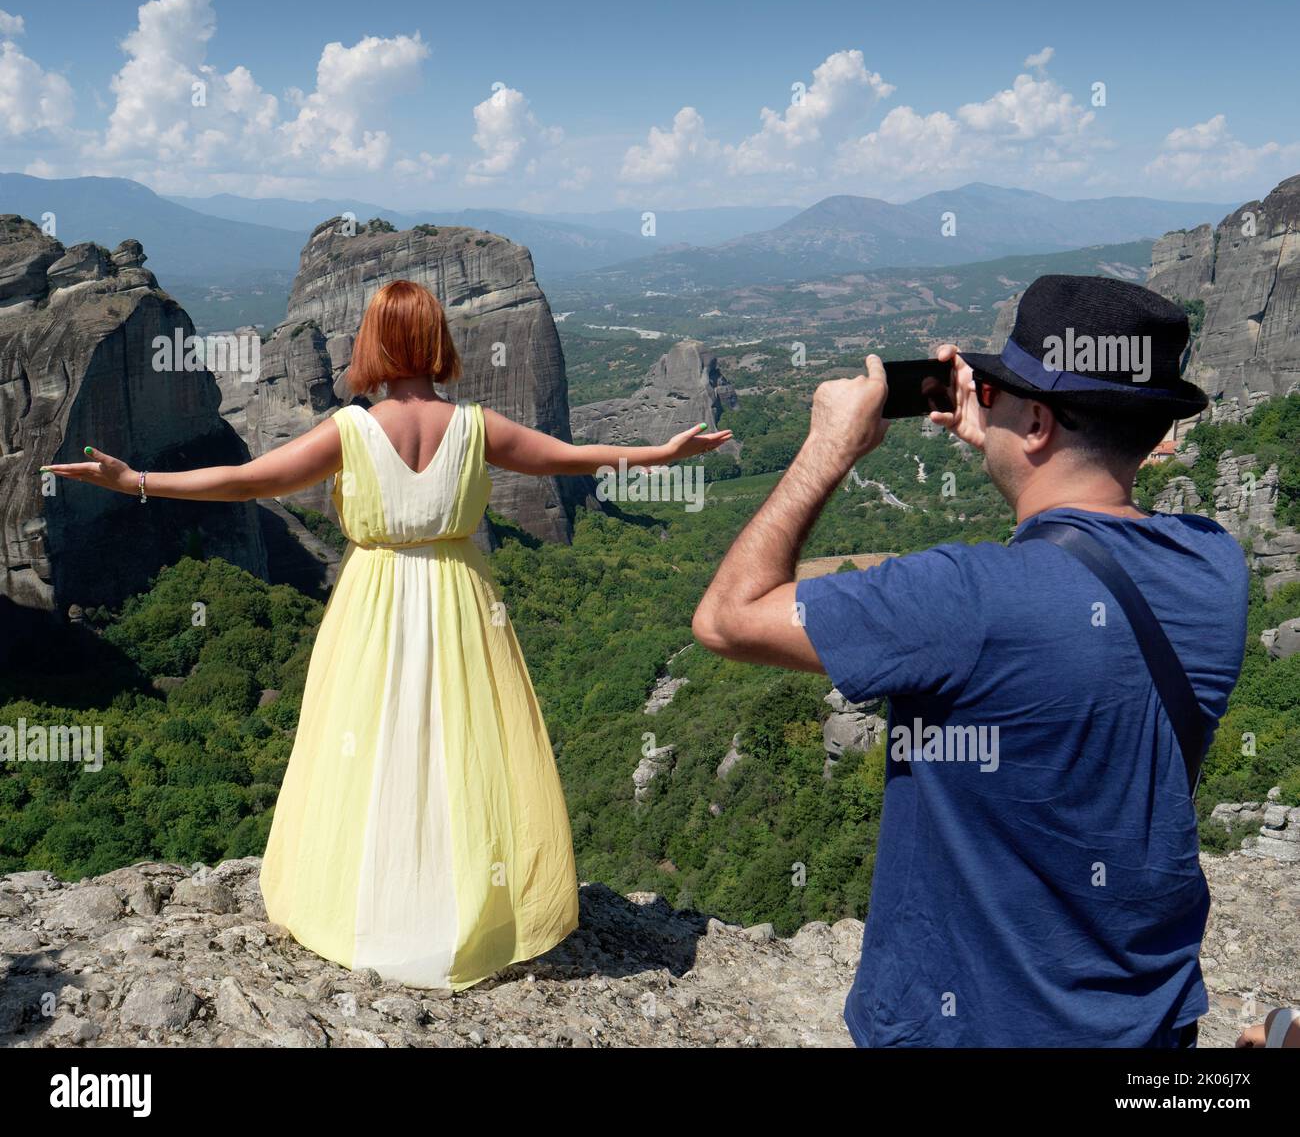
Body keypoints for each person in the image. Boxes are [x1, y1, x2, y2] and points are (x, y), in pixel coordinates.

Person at [43, 279, 731, 991]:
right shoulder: (476, 426)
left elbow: (246, 481)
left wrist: (138, 480)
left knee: (368, 756)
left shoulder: (349, 431)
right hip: (464, 606)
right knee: (461, 755)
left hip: (371, 608)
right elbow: (569, 457)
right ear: (435, 341)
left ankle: (370, 908)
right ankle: (465, 910)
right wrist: (660, 452)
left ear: (372, 343)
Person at [692, 274, 1249, 1047]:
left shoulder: (960, 601)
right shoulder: (1215, 566)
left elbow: (726, 617)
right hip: (1149, 1029)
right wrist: (1013, 442)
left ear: (1042, 419)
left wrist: (827, 450)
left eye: (1004, 392)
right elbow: (1078, 543)